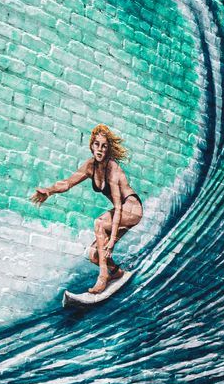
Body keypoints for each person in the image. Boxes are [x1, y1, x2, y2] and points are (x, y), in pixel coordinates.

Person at [32, 124, 144, 295]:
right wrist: (50, 190)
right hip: (120, 214)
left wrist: (112, 240)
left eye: (104, 146)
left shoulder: (112, 168)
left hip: (131, 208)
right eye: (97, 144)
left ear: (108, 149)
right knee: (94, 255)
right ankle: (116, 273)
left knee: (99, 223)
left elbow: (119, 206)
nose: (100, 149)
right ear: (91, 145)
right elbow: (67, 183)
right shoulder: (90, 166)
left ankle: (103, 277)